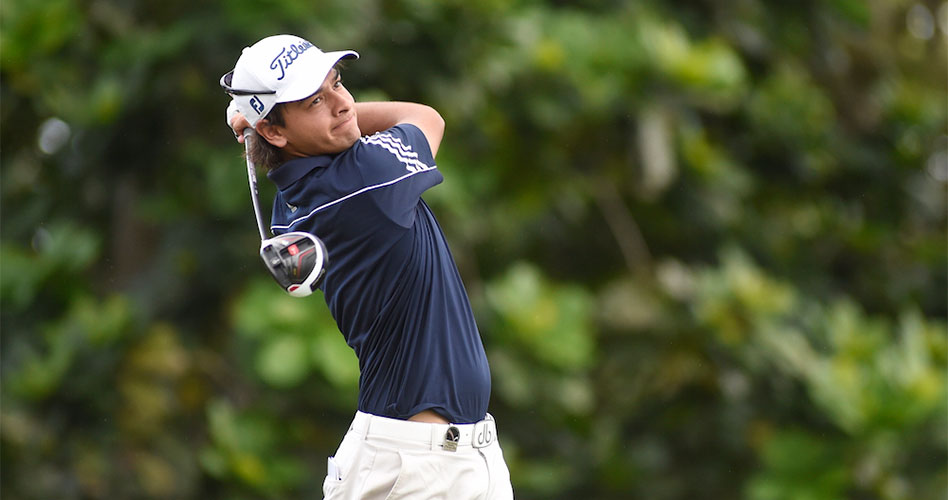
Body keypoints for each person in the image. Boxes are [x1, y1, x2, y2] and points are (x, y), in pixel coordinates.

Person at [220, 34, 514, 499]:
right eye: (316, 100)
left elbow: (329, 130)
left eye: (338, 84)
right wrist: (257, 122)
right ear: (276, 132)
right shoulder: (367, 181)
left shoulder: (296, 198)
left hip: (447, 459)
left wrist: (263, 124)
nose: (342, 104)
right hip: (417, 469)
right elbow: (424, 117)